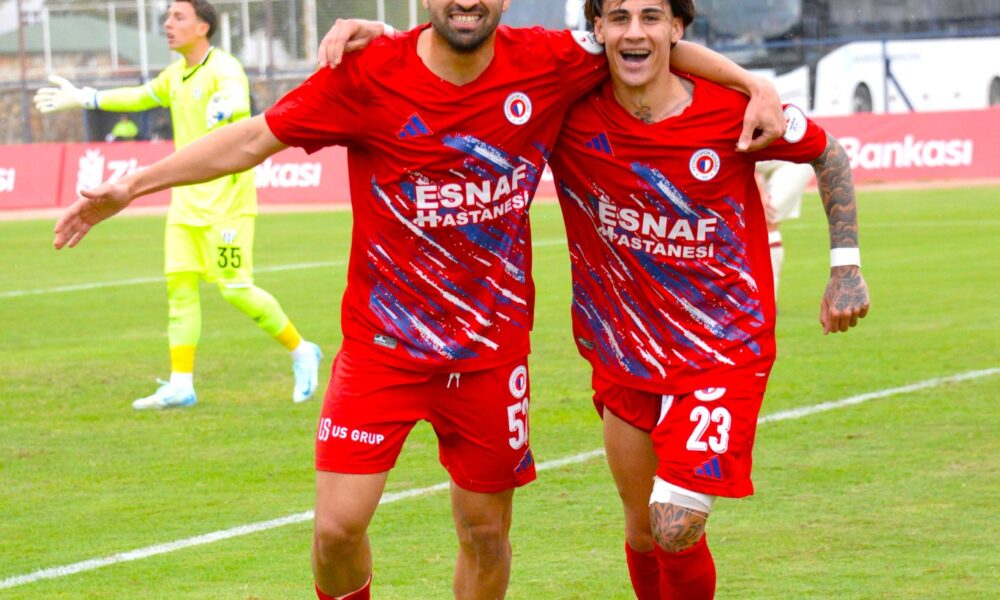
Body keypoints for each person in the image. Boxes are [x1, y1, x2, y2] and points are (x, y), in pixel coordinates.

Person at [54, 1, 787, 597]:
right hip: (383, 349)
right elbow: (251, 139)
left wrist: (752, 83)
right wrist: (132, 184)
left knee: (486, 535)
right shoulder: (367, 73)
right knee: (336, 530)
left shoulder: (549, 60)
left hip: (491, 355)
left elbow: (652, 45)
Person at [547, 1, 870, 598]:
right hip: (625, 352)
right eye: (619, 17)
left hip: (723, 351)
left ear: (677, 27)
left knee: (673, 524)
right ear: (597, 29)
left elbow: (828, 153)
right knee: (643, 530)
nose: (635, 31)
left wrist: (844, 267)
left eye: (652, 16)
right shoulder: (566, 111)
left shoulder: (732, 112)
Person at [34, 0, 322, 409]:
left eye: (178, 17)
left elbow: (238, 102)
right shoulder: (175, 75)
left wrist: (226, 108)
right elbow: (139, 97)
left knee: (236, 289)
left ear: (203, 26)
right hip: (185, 202)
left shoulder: (224, 67)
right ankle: (181, 384)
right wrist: (86, 97)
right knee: (180, 289)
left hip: (226, 202)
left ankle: (302, 350)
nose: (168, 23)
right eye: (167, 16)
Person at [755, 159, 815, 297]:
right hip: (761, 161)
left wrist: (760, 195)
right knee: (756, 221)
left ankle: (768, 298)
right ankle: (761, 295)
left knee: (767, 220)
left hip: (793, 160)